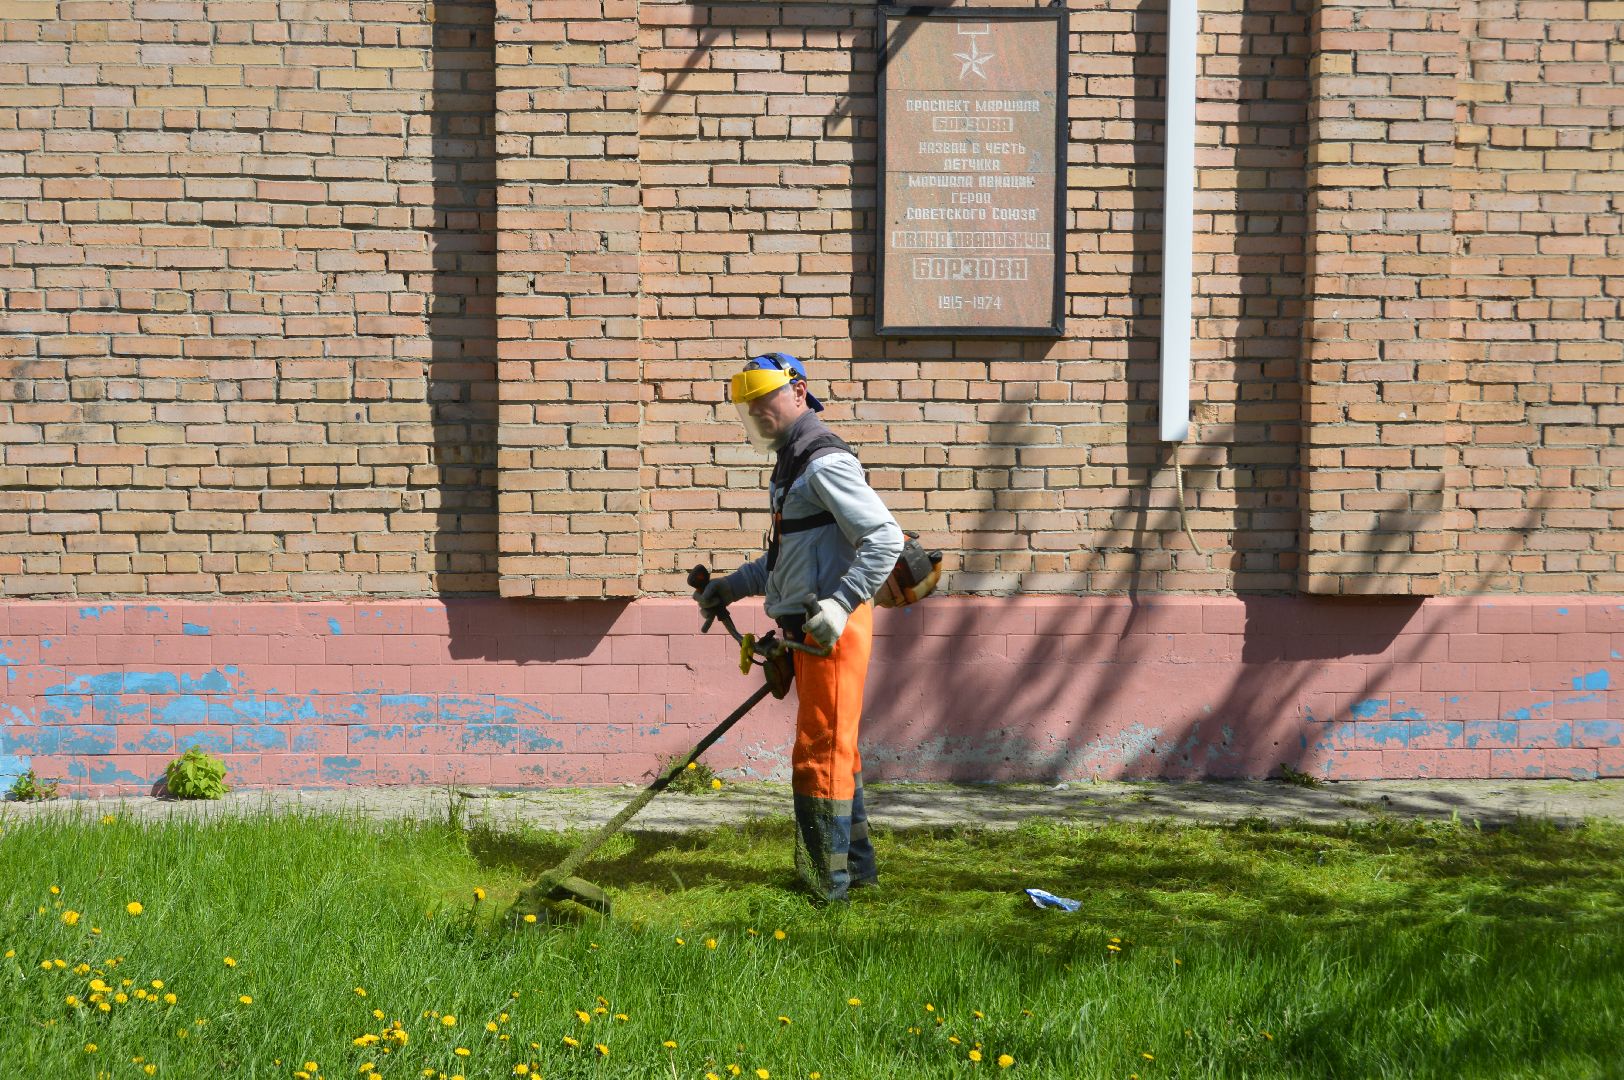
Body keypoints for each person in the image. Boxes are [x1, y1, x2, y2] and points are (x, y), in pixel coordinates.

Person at [695, 352, 904, 903]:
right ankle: (855, 871)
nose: (760, 414)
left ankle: (825, 883)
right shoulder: (791, 465)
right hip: (811, 630)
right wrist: (729, 587)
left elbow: (885, 539)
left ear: (798, 390)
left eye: (766, 400)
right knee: (838, 750)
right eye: (750, 408)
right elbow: (784, 562)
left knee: (819, 752)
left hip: (833, 629)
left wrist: (839, 606)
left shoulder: (822, 461)